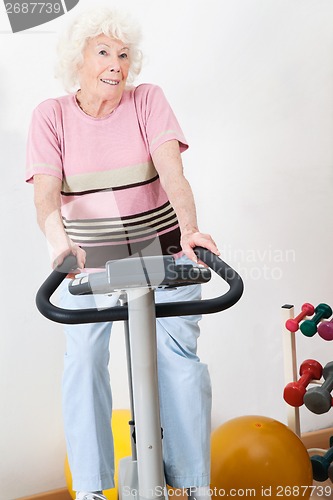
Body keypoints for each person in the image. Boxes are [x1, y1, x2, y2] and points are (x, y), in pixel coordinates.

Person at [26, 6, 220, 500]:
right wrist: (58, 243)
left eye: (124, 54)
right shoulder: (51, 116)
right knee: (85, 357)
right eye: (104, 52)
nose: (116, 63)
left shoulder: (147, 100)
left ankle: (195, 485)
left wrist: (192, 228)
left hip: (162, 251)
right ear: (79, 59)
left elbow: (172, 171)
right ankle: (91, 489)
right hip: (89, 261)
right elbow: (46, 195)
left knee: (179, 357)